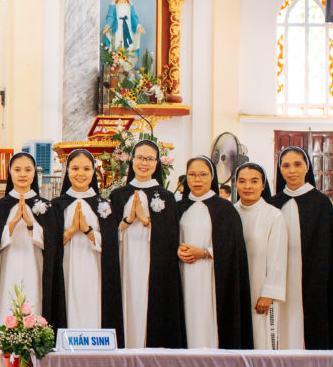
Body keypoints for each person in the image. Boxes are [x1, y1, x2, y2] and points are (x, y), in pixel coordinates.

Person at [0, 152, 54, 367]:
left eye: (28, 170)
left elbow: (52, 246)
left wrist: (31, 225)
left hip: (34, 270)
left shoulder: (44, 206)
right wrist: (10, 226)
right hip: (7, 271)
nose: (22, 174)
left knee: (34, 309)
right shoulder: (0, 207)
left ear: (34, 174)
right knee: (7, 309)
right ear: (10, 173)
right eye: (17, 169)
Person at [108, 140, 185, 349]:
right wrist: (127, 221)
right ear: (132, 160)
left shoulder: (167, 197)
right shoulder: (117, 195)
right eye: (140, 157)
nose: (144, 163)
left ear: (157, 163)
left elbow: (171, 238)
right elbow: (108, 235)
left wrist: (145, 220)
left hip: (154, 266)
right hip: (124, 262)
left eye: (150, 159)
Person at [269, 147, 333, 350]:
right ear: (280, 170)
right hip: (280, 277)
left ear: (307, 167)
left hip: (313, 279)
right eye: (286, 166)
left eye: (297, 164)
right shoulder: (273, 203)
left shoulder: (321, 204)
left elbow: (327, 250)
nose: (291, 170)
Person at [46, 150, 124, 340]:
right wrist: (72, 230)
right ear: (67, 171)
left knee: (93, 310)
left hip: (94, 270)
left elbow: (112, 246)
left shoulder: (103, 205)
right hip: (66, 270)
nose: (80, 173)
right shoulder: (56, 205)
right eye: (75, 168)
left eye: (86, 169)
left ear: (93, 172)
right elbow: (49, 246)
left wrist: (88, 231)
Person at [176, 156, 252, 349]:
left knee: (208, 319)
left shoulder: (224, 209)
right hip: (183, 274)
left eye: (203, 174)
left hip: (212, 276)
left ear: (212, 177)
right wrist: (177, 250)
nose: (197, 179)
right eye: (192, 175)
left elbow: (234, 246)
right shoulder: (178, 208)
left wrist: (204, 253)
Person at [234, 162, 287, 350]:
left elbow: (278, 257)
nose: (247, 186)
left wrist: (268, 294)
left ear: (263, 185)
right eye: (242, 181)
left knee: (260, 340)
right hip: (235, 289)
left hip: (260, 290)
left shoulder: (273, 216)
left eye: (254, 181)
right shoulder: (229, 213)